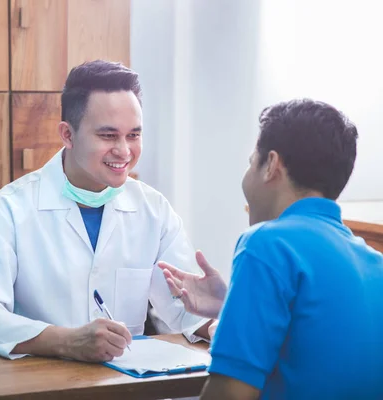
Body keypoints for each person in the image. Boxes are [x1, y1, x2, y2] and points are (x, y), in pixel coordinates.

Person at [0, 60, 212, 362]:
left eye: (134, 135)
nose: (124, 151)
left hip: (128, 386)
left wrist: (217, 323)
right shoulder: (7, 210)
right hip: (42, 387)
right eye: (108, 136)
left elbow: (183, 310)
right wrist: (66, 341)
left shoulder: (154, 211)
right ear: (67, 134)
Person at [160, 99, 383, 399]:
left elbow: (230, 394)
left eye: (252, 161)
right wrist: (232, 304)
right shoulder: (373, 262)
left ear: (272, 166)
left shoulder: (266, 244)